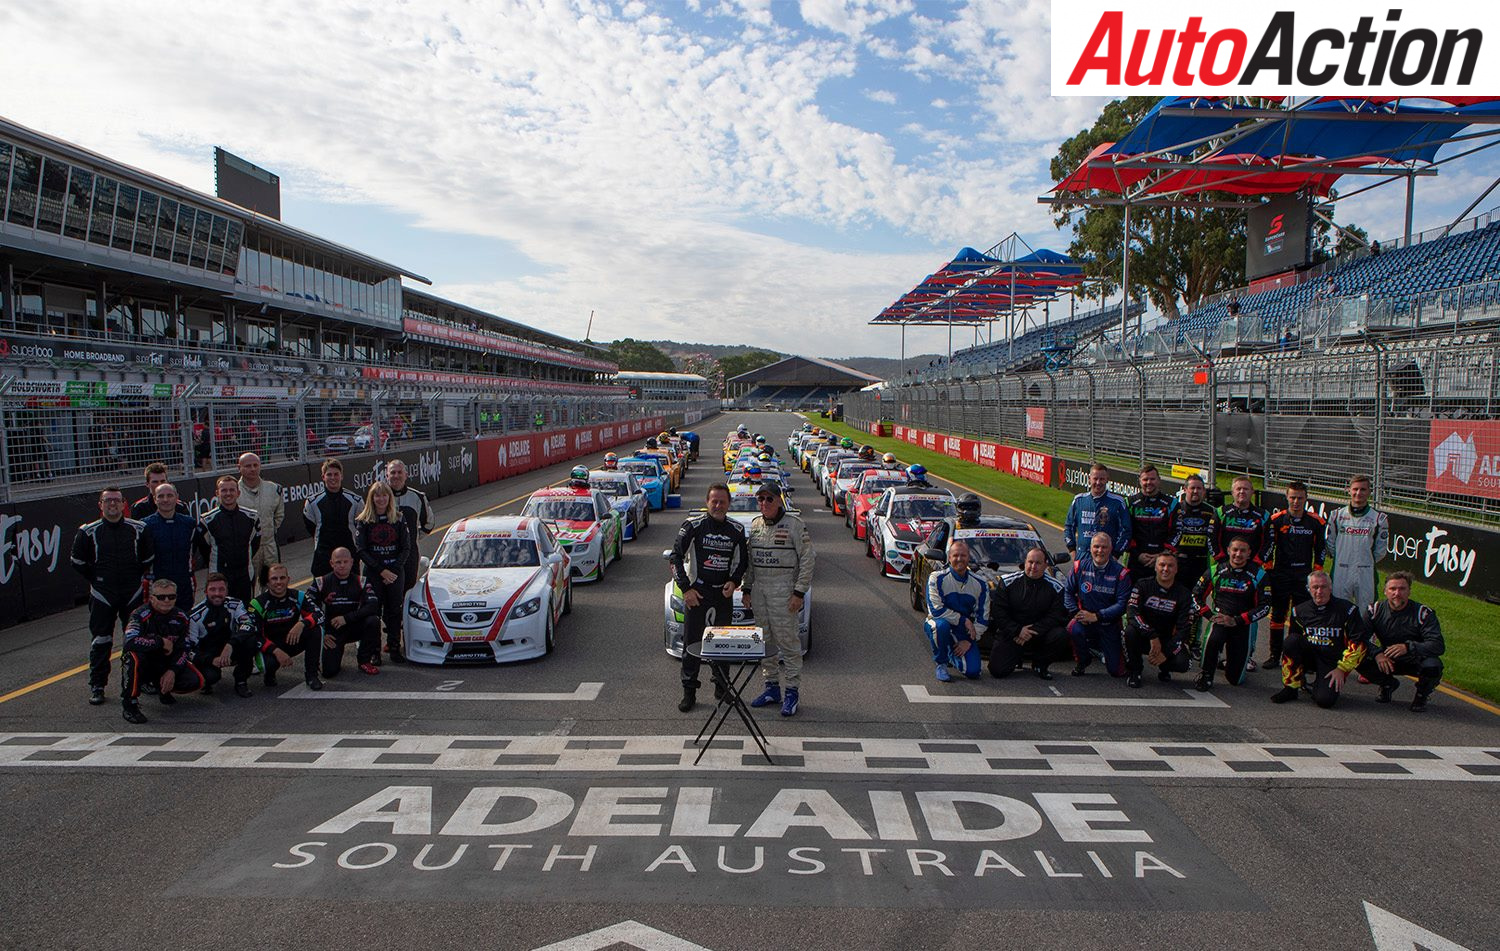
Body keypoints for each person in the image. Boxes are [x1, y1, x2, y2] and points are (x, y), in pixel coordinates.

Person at [69, 487, 155, 705]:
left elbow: (148, 558)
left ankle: (139, 680)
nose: (112, 505)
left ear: (124, 503)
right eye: (108, 501)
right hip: (102, 594)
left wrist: (133, 577)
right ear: (101, 505)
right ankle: (97, 685)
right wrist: (97, 579)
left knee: (136, 640)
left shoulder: (139, 528)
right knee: (101, 640)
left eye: (116, 501)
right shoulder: (88, 531)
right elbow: (77, 562)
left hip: (132, 592)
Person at [669, 483, 747, 712]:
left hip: (722, 593)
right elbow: (675, 558)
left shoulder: (737, 530)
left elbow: (742, 561)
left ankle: (722, 687)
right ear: (707, 502)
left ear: (729, 504)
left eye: (722, 501)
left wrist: (734, 581)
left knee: (723, 643)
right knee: (692, 645)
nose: (718, 505)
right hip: (698, 592)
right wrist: (686, 589)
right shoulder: (693, 526)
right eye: (714, 501)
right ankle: (689, 692)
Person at [744, 483, 816, 717]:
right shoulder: (755, 525)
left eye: (769, 499)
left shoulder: (795, 525)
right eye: (760, 499)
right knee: (765, 642)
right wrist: (746, 589)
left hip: (785, 592)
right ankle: (772, 688)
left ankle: (792, 693)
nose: (764, 503)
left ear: (779, 500)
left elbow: (807, 560)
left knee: (789, 645)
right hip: (760, 592)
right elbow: (750, 562)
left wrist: (799, 592)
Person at [1272, 570, 1368, 709]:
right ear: (1309, 589)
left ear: (1330, 588)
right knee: (1291, 641)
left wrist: (1342, 669)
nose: (1319, 591)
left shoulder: (1348, 610)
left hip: (1332, 661)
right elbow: (1293, 644)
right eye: (1315, 587)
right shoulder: (1298, 611)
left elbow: (1359, 644)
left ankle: (1318, 686)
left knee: (1324, 701)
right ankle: (1291, 687)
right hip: (1310, 656)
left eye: (1323, 587)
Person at [1355, 571, 1445, 712]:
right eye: (1392, 589)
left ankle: (1422, 695)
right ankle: (1387, 684)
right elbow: (1358, 638)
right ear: (1385, 591)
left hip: (1415, 659)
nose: (1397, 593)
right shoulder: (1374, 610)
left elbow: (1438, 645)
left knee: (1433, 665)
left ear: (1409, 591)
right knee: (1355, 655)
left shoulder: (1423, 613)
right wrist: (1377, 653)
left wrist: (1408, 647)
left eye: (1402, 589)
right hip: (1388, 659)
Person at [119, 579, 203, 724]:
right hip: (144, 662)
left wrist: (172, 671)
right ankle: (129, 704)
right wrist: (160, 642)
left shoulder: (181, 617)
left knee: (196, 680)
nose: (166, 600)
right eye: (161, 597)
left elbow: (184, 649)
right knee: (132, 657)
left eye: (171, 597)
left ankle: (162, 687)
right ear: (152, 598)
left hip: (164, 662)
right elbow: (129, 642)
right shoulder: (139, 614)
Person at [1192, 537, 1271, 691]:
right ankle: (1207, 674)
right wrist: (1209, 615)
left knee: (1235, 680)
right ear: (1228, 551)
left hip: (1242, 624)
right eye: (1235, 550)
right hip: (1220, 620)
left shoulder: (1259, 575)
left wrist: (1237, 620)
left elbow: (1265, 606)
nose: (1238, 554)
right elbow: (1196, 596)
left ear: (1249, 553)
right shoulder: (1215, 570)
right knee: (1213, 639)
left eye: (1242, 551)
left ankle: (1229, 663)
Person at [1266, 481, 1327, 668]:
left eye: (1300, 498)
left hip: (1304, 576)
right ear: (1286, 497)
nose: (1296, 502)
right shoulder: (1276, 520)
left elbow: (1321, 549)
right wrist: (1269, 571)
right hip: (1281, 575)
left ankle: (1293, 656)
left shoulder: (1316, 522)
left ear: (1306, 499)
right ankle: (1274, 655)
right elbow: (1268, 547)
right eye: (1292, 497)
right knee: (1277, 615)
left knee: (1299, 617)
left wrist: (1317, 571)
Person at [1216, 475, 1273, 669]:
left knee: (1250, 611)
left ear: (1252, 492)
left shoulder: (1262, 515)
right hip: (1225, 569)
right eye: (1238, 489)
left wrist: (1255, 564)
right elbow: (1213, 539)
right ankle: (1216, 650)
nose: (1242, 492)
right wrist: (1221, 563)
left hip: (1251, 571)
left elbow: (1268, 543)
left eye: (1246, 489)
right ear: (1232, 492)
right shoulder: (1222, 512)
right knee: (1221, 608)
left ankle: (1247, 654)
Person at [989, 547, 1069, 680]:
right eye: (1030, 562)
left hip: (1039, 633)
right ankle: (1016, 658)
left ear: (1045, 565)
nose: (1033, 566)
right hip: (1012, 633)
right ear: (1025, 563)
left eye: (1038, 563)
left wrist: (1030, 631)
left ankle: (1040, 664)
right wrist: (1017, 631)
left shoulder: (1056, 587)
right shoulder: (1007, 582)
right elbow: (999, 612)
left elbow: (1055, 616)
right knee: (997, 671)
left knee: (1060, 635)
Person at [355, 481, 410, 663]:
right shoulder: (363, 520)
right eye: (377, 495)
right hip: (373, 572)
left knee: (394, 610)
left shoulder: (399, 518)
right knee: (373, 612)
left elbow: (406, 547)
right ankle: (374, 651)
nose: (381, 499)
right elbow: (361, 550)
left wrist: (393, 570)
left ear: (390, 497)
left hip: (395, 572)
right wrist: (381, 571)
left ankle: (394, 647)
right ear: (372, 498)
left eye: (385, 495)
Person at [1124, 551, 1196, 688]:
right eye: (1162, 565)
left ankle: (1164, 667)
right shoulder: (1142, 585)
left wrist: (1165, 653)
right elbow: (1132, 613)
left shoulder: (1184, 594)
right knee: (1130, 632)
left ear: (1176, 569)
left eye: (1170, 566)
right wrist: (1151, 635)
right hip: (1145, 635)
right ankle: (1135, 671)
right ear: (1155, 567)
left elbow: (1184, 629)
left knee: (1183, 664)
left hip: (1167, 639)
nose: (1165, 569)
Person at [1064, 532, 1131, 677]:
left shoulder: (1121, 573)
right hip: (1084, 620)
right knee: (1072, 628)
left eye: (1104, 547)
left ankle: (1113, 652)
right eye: (1096, 547)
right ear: (1090, 548)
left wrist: (1098, 616)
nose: (1100, 551)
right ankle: (1083, 660)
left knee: (1115, 672)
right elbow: (1068, 592)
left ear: (1111, 549)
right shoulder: (1078, 567)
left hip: (1109, 624)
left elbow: (1122, 604)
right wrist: (1076, 612)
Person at [306, 547, 381, 678]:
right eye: (338, 562)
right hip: (332, 632)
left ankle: (364, 660)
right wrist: (322, 633)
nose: (342, 565)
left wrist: (346, 618)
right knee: (329, 672)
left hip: (353, 626)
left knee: (373, 620)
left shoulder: (362, 581)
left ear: (352, 562)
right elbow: (306, 608)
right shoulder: (320, 582)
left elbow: (373, 605)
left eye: (345, 562)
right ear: (331, 563)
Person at [250, 564, 322, 690]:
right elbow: (254, 636)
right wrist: (276, 651)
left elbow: (319, 614)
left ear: (288, 579)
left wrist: (302, 623)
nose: (279, 582)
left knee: (315, 630)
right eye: (274, 579)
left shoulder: (298, 596)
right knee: (268, 664)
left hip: (291, 639)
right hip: (269, 647)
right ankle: (269, 674)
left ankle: (312, 675)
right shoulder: (257, 603)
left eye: (282, 578)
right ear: (267, 582)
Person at [924, 540, 988, 682]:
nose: (959, 559)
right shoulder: (936, 578)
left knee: (973, 672)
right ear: (949, 558)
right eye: (955, 555)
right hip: (939, 622)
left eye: (963, 555)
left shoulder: (981, 583)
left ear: (969, 557)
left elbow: (983, 618)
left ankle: (951, 651)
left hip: (963, 631)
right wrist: (963, 620)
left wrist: (970, 641)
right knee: (940, 626)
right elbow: (936, 611)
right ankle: (941, 663)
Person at [186, 572, 258, 698]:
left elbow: (249, 625)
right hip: (208, 654)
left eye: (221, 589)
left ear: (226, 590)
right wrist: (210, 660)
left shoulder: (236, 604)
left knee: (250, 640)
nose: (217, 593)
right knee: (211, 677)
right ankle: (207, 682)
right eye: (212, 590)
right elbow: (190, 650)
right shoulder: (195, 616)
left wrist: (231, 644)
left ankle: (241, 681)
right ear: (206, 591)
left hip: (229, 648)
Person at [193, 476, 261, 605]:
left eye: (232, 490)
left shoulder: (252, 516)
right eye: (224, 490)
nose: (228, 494)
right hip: (219, 575)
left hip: (245, 574)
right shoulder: (207, 520)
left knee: (246, 611)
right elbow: (204, 548)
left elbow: (255, 543)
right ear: (217, 493)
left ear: (238, 493)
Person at [1327, 474, 1389, 610]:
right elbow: (1330, 545)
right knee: (1339, 610)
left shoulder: (1379, 518)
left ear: (1369, 492)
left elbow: (1381, 550)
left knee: (1366, 612)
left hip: (1365, 571)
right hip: (1341, 570)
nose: (1358, 493)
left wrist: (1365, 561)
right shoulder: (1336, 516)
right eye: (1355, 489)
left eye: (1363, 489)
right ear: (1348, 490)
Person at [386, 458, 435, 610]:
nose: (396, 476)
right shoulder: (379, 496)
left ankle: (405, 623)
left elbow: (429, 522)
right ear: (387, 476)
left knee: (408, 591)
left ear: (406, 475)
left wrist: (412, 538)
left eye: (399, 472)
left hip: (410, 553)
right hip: (386, 553)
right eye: (392, 473)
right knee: (388, 591)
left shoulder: (417, 496)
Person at [142, 482, 199, 604]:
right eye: (161, 496)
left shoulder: (189, 524)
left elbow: (194, 551)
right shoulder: (145, 526)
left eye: (170, 495)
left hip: (184, 584)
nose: (165, 500)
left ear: (177, 497)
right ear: (154, 499)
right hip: (157, 584)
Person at [304, 458, 362, 578]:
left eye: (336, 474)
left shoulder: (356, 500)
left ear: (342, 476)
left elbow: (361, 528)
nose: (333, 478)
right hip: (323, 557)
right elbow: (311, 527)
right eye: (329, 474)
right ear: (323, 477)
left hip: (349, 556)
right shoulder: (312, 502)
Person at [238, 452, 284, 593]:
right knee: (247, 586)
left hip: (269, 545)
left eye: (255, 465)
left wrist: (269, 530)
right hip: (247, 548)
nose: (252, 469)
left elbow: (279, 515)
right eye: (247, 466)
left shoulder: (274, 489)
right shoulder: (233, 490)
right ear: (239, 467)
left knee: (273, 583)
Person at [1063, 463, 1131, 558]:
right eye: (1095, 479)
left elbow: (1126, 531)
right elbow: (1068, 527)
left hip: (1107, 559)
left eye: (1102, 479)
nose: (1098, 482)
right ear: (1089, 479)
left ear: (1107, 480)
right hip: (1083, 557)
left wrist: (1116, 554)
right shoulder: (1079, 500)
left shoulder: (1118, 502)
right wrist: (1072, 551)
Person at [1126, 465, 1177, 578]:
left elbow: (1176, 532)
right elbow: (1125, 531)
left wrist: (1162, 555)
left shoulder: (1172, 503)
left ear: (1159, 480)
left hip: (1163, 562)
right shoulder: (1129, 503)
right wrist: (1137, 554)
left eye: (1152, 479)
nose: (1149, 482)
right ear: (1140, 481)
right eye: (1145, 479)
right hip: (1136, 560)